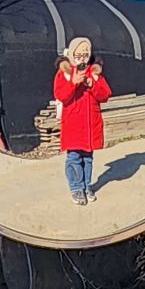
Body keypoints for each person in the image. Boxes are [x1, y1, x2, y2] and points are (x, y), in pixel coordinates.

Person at [52, 37, 111, 204]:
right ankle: (76, 188)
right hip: (73, 123)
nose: (82, 58)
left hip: (90, 123)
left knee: (88, 158)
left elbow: (105, 95)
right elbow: (61, 95)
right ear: (72, 54)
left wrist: (92, 84)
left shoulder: (94, 72)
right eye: (79, 55)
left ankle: (86, 186)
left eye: (86, 55)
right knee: (74, 157)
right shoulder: (65, 72)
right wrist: (73, 83)